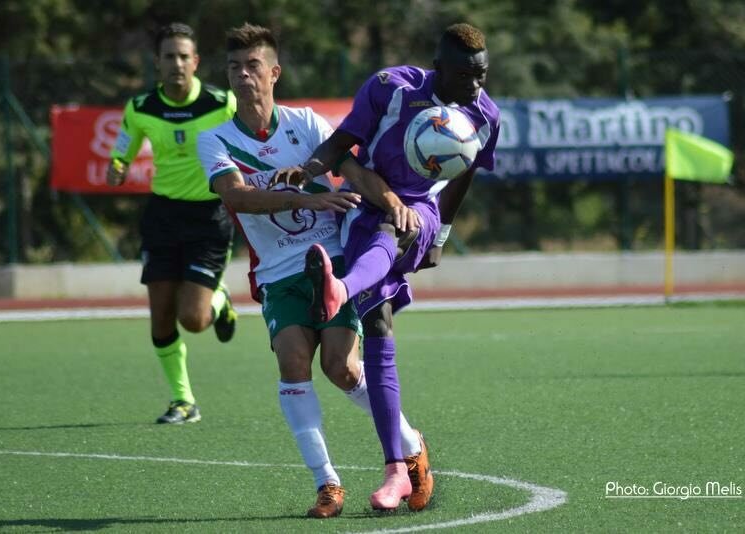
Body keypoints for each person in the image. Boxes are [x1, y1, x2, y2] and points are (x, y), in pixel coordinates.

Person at [196, 23, 431, 518]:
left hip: (333, 259)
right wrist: (309, 196)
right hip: (279, 271)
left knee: (340, 368)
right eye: (234, 68)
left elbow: (352, 171)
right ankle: (328, 484)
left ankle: (410, 446)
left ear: (274, 72)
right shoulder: (213, 138)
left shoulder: (305, 124)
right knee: (293, 363)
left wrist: (391, 203)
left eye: (253, 65)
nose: (243, 75)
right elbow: (237, 197)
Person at [274, 22, 500, 510]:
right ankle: (399, 469)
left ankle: (340, 287)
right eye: (465, 76)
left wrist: (440, 234)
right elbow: (344, 142)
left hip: (420, 214)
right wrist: (311, 169)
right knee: (378, 328)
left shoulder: (484, 116)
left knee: (396, 227)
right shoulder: (389, 87)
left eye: (482, 75)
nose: (475, 86)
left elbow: (461, 179)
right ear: (438, 67)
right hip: (363, 209)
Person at [106, 22, 238, 425]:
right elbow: (122, 153)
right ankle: (183, 400)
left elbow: (250, 138)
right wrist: (116, 167)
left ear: (195, 62)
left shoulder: (222, 103)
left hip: (208, 218)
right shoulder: (141, 107)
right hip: (162, 216)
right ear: (157, 63)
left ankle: (219, 301)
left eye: (184, 56)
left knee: (193, 319)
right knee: (161, 314)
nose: (177, 63)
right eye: (169, 56)